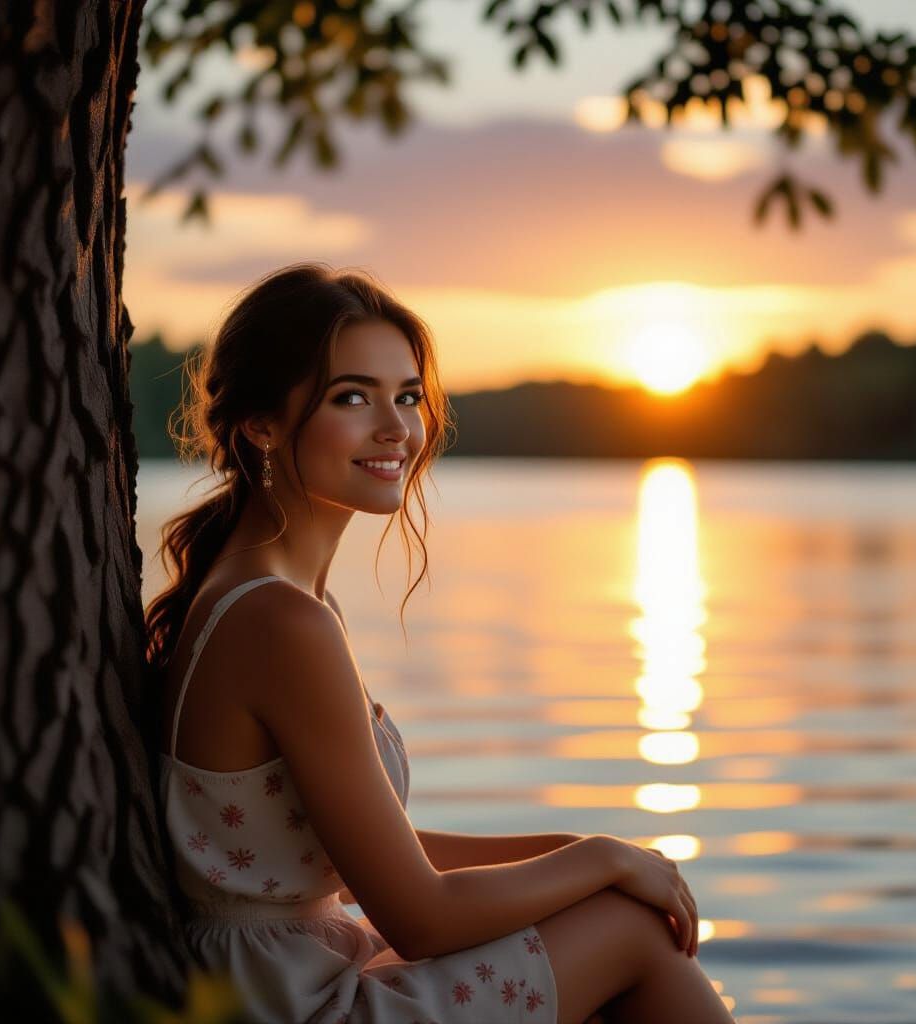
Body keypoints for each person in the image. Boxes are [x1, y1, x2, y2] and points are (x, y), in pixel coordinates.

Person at [145, 263, 736, 1024]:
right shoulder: (280, 621)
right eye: (352, 396)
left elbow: (367, 852)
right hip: (294, 1008)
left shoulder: (273, 595)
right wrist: (602, 862)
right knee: (631, 933)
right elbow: (419, 917)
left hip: (282, 980)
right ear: (262, 424)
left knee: (613, 909)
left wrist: (591, 851)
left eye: (408, 396)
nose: (396, 427)